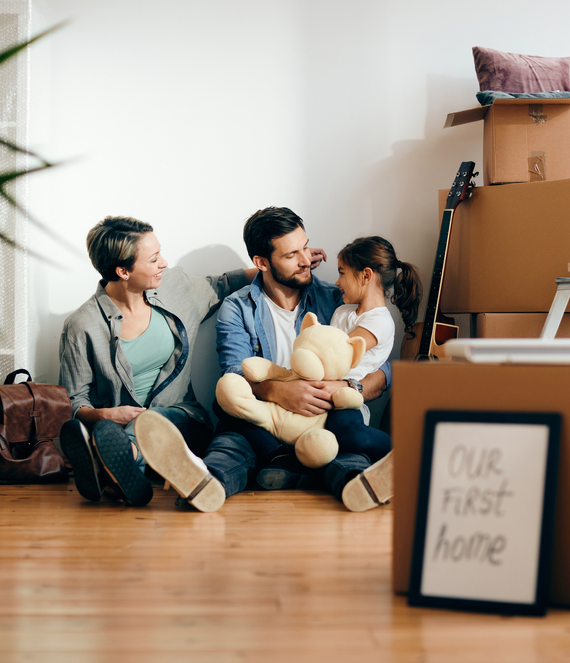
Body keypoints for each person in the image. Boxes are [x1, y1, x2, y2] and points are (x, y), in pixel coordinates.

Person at [135, 207, 395, 512]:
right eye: (291, 255)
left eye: (305, 248)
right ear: (262, 262)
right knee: (229, 442)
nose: (305, 260)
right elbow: (235, 373)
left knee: (342, 450)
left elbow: (381, 366)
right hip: (262, 420)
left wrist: (343, 386)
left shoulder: (335, 300)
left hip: (324, 416)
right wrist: (278, 391)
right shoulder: (238, 307)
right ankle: (206, 482)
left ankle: (358, 485)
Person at [57, 216, 255, 506]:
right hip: (118, 427)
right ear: (123, 271)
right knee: (123, 429)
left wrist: (282, 263)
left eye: (160, 252)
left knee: (150, 421)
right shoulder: (83, 324)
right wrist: (107, 415)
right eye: (153, 259)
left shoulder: (175, 288)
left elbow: (224, 284)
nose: (163, 262)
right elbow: (73, 399)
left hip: (183, 423)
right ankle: (122, 466)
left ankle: (114, 464)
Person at [326, 236, 421, 508]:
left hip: (349, 399)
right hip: (328, 390)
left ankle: (405, 456)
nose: (337, 282)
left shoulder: (379, 321)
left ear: (366, 275)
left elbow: (342, 352)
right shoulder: (343, 311)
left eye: (342, 273)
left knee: (346, 432)